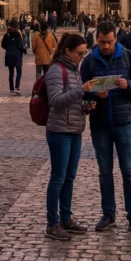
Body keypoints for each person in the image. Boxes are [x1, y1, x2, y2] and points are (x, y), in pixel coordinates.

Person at [79, 21, 131, 235]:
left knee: (129, 171)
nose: (106, 46)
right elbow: (82, 91)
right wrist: (93, 94)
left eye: (109, 42)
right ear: (96, 40)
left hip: (124, 123)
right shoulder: (89, 61)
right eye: (102, 42)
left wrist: (129, 86)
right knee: (104, 172)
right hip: (100, 125)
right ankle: (108, 214)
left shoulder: (129, 57)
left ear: (115, 38)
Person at [43, 33, 98, 241]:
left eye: (84, 53)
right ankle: (52, 223)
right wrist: (81, 90)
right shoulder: (56, 70)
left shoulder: (75, 70)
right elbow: (56, 101)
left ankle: (66, 218)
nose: (82, 57)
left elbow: (73, 101)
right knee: (58, 178)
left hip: (74, 129)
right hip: (59, 131)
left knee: (69, 177)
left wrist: (86, 106)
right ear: (67, 51)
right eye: (79, 53)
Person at [2, 22, 26, 95]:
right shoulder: (17, 35)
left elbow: (2, 45)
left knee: (11, 73)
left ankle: (11, 89)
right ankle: (17, 88)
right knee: (19, 72)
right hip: (17, 55)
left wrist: (8, 48)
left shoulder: (6, 35)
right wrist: (24, 51)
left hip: (9, 55)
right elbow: (20, 45)